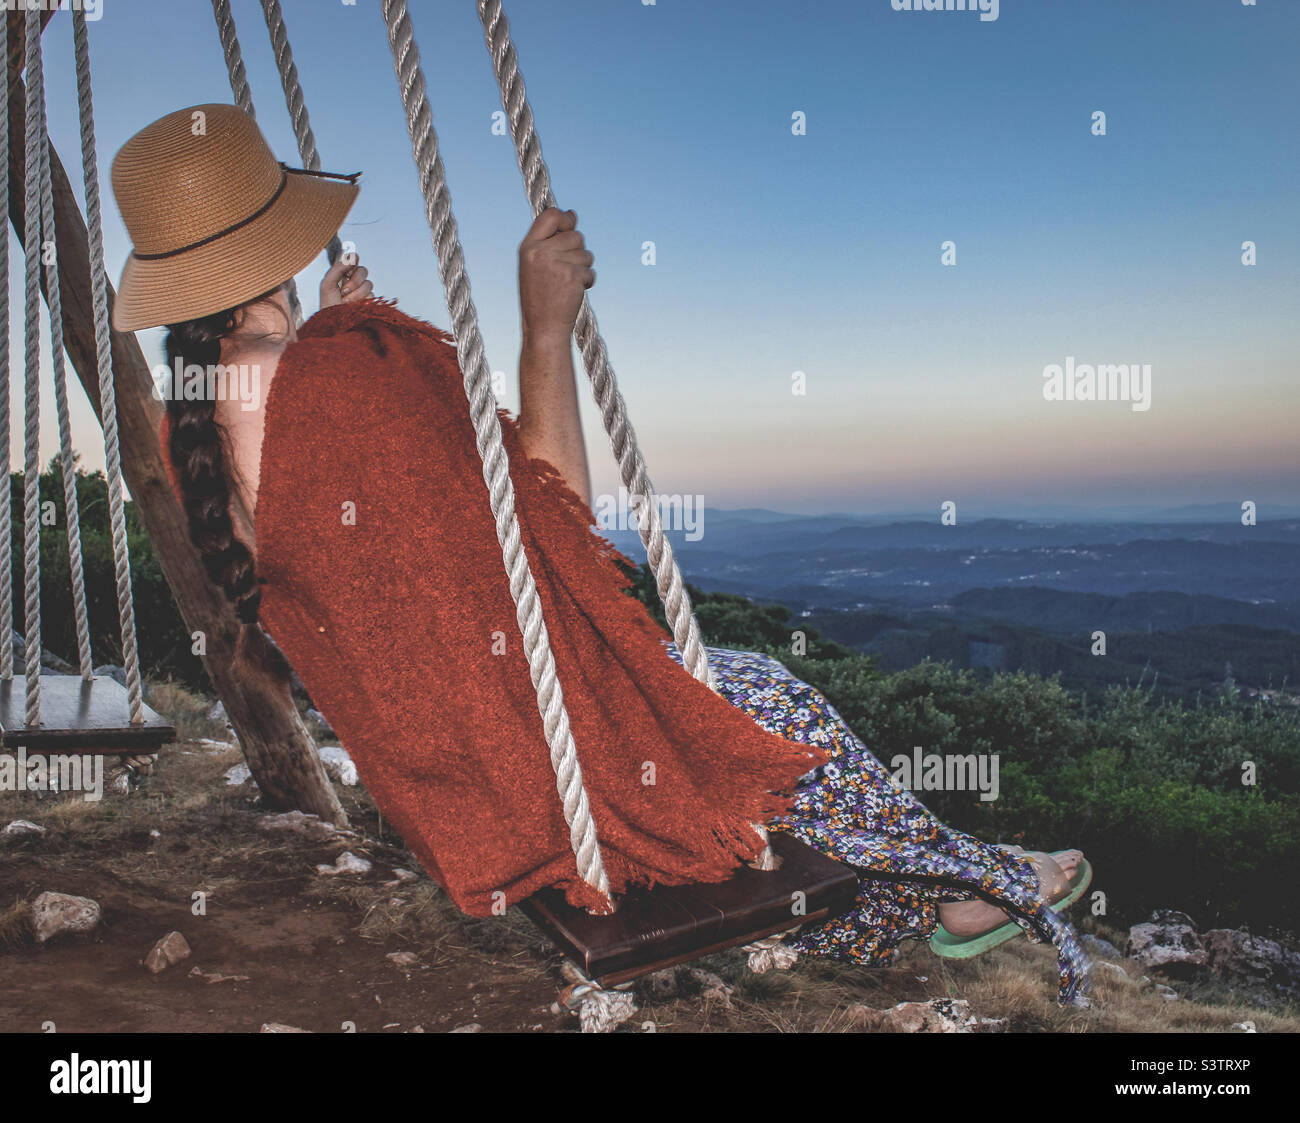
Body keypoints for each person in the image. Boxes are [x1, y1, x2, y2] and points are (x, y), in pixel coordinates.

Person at [112, 104, 1090, 1003]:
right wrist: (546, 327)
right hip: (535, 762)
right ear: (276, 232)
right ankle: (985, 879)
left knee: (751, 707)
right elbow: (552, 520)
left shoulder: (189, 420)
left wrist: (339, 332)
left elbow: (357, 561)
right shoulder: (333, 379)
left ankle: (949, 894)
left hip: (445, 776)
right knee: (775, 708)